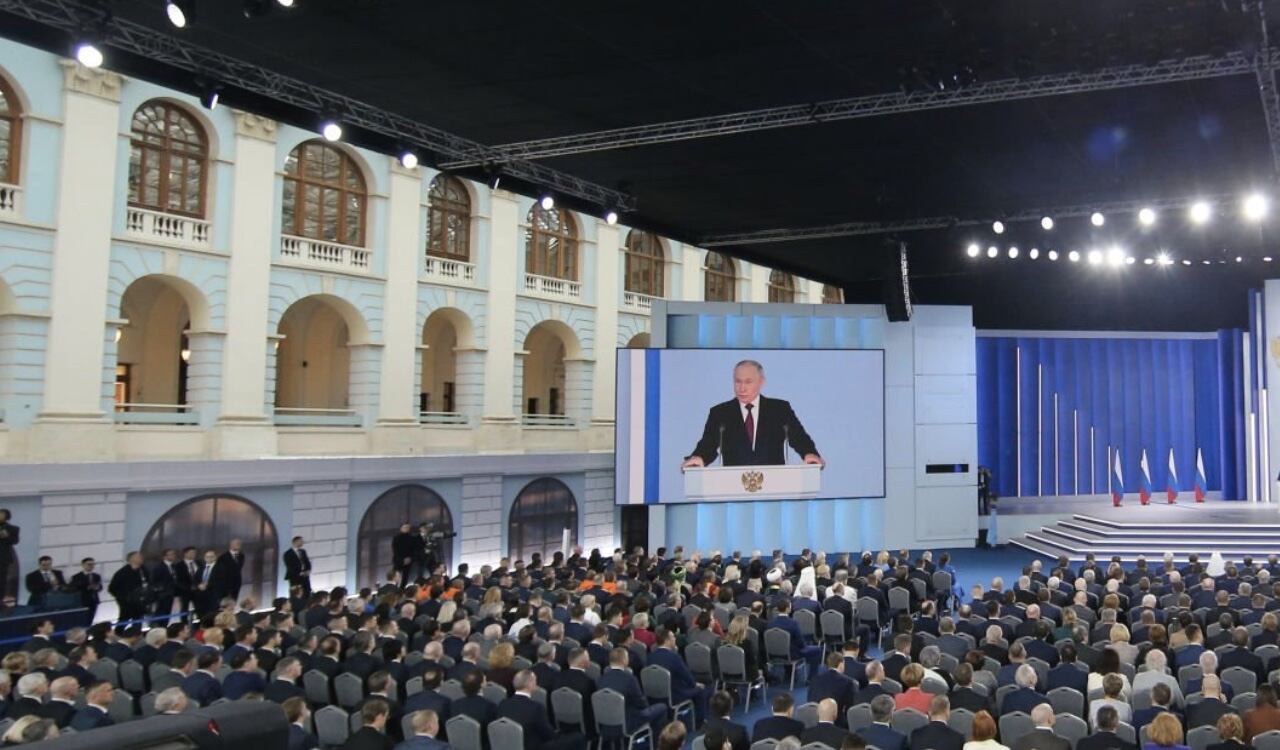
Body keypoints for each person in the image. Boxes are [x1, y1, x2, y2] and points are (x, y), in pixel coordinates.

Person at [681, 359, 823, 469]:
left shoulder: (779, 409)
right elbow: (708, 444)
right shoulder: (720, 413)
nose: (742, 388)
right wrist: (698, 458)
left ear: (761, 382)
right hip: (733, 487)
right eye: (738, 382)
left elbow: (799, 437)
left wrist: (809, 453)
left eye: (748, 382)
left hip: (774, 484)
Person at [108, 551, 151, 623]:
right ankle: (119, 633)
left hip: (140, 601)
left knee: (138, 619)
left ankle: (137, 633)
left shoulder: (143, 570)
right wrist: (123, 598)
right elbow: (112, 588)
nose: (141, 558)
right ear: (132, 559)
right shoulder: (122, 573)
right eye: (138, 557)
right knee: (124, 619)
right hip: (126, 602)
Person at [68, 558, 103, 622]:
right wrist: (87, 588)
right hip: (82, 601)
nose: (91, 566)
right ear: (83, 565)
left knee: (91, 619)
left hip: (94, 601)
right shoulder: (76, 577)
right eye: (89, 564)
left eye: (93, 564)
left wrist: (97, 587)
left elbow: (100, 587)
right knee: (82, 620)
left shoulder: (96, 576)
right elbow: (73, 589)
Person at [214, 539, 245, 604]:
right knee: (224, 603)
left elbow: (238, 569)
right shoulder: (223, 557)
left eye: (239, 544)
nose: (238, 545)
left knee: (233, 602)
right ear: (231, 545)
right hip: (225, 585)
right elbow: (220, 572)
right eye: (236, 544)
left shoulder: (241, 556)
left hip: (236, 584)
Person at [0, 510, 20, 603]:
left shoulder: (13, 528)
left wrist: (6, 536)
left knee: (2, 580)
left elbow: (15, 541)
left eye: (1, 514)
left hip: (3, 558)